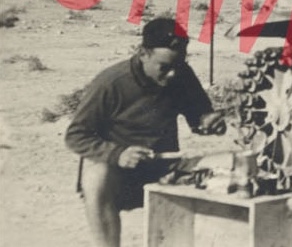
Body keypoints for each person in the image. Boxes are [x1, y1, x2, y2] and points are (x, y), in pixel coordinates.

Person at [66, 18, 226, 247]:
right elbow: (76, 135)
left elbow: (199, 115)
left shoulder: (182, 74)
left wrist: (207, 122)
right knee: (95, 177)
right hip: (121, 172)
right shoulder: (111, 83)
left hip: (164, 165)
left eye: (178, 65)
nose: (172, 74)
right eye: (164, 67)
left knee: (233, 165)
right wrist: (118, 154)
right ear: (143, 54)